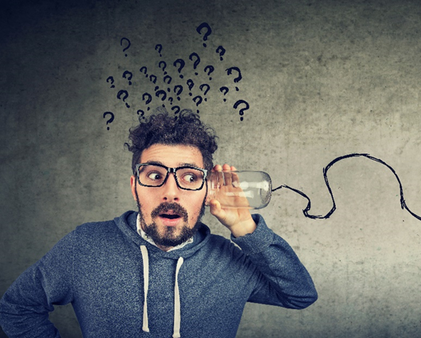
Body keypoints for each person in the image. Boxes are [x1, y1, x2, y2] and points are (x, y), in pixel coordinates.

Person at [0, 110, 318, 337]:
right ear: (134, 185)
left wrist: (246, 230)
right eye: (154, 175)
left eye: (189, 177)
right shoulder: (86, 246)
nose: (171, 192)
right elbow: (17, 309)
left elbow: (300, 295)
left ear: (207, 189)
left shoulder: (233, 259)